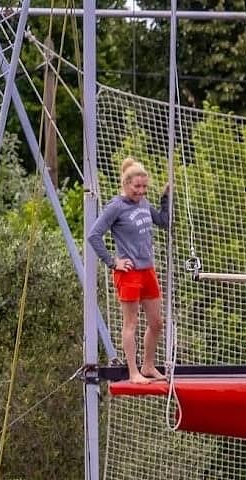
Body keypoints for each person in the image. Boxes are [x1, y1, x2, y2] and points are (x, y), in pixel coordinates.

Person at [87, 157, 171, 384]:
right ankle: (133, 372)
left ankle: (148, 365)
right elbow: (93, 236)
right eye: (137, 187)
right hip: (129, 273)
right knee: (131, 323)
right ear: (126, 184)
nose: (141, 191)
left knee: (157, 323)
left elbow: (164, 222)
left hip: (148, 271)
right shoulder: (116, 206)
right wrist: (113, 262)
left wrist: (165, 198)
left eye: (145, 187)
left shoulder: (143, 203)